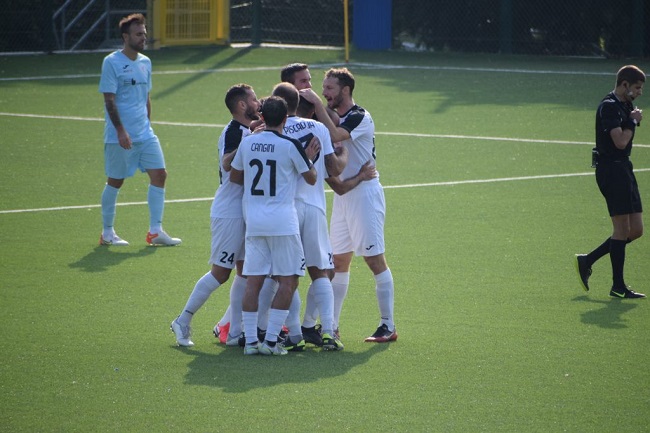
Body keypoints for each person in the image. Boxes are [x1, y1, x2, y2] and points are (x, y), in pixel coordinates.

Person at [301, 68, 398, 342]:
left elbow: (336, 135)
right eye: (323, 89)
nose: (324, 93)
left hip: (365, 194)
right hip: (344, 195)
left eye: (329, 88)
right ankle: (332, 326)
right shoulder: (332, 115)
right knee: (338, 261)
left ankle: (388, 325)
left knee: (374, 259)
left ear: (345, 89)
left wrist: (316, 104)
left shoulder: (359, 116)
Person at [170, 84, 260, 347]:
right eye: (254, 99)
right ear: (242, 105)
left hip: (246, 210)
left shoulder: (247, 130)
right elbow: (227, 163)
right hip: (229, 212)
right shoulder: (234, 131)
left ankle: (234, 331)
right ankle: (182, 320)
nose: (258, 103)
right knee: (221, 273)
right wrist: (251, 138)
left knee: (246, 272)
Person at [230, 96, 318, 355]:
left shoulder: (248, 143)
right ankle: (270, 342)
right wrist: (308, 158)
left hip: (255, 221)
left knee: (253, 281)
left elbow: (235, 176)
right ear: (285, 119)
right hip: (283, 223)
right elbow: (311, 178)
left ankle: (250, 342)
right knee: (288, 281)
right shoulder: (290, 145)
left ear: (262, 117)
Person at [270, 82, 348, 351]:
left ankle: (294, 335)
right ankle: (328, 332)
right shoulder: (318, 128)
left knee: (287, 275)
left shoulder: (273, 130)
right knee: (320, 272)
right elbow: (332, 167)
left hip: (285, 208)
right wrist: (343, 152)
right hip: (314, 206)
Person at [98, 14, 180, 247]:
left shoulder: (146, 62)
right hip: (120, 136)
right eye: (138, 34)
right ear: (126, 37)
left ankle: (155, 231)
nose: (143, 37)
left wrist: (147, 124)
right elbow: (109, 100)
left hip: (145, 134)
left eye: (144, 33)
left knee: (160, 175)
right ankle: (107, 233)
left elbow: (146, 96)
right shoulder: (111, 62)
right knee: (115, 181)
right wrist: (121, 131)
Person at [574, 65, 646, 299]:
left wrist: (631, 119)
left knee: (636, 230)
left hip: (624, 168)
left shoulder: (626, 105)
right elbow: (620, 142)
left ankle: (587, 260)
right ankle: (618, 287)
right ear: (624, 84)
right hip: (611, 171)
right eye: (637, 88)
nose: (640, 93)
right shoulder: (609, 107)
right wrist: (632, 122)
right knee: (621, 229)